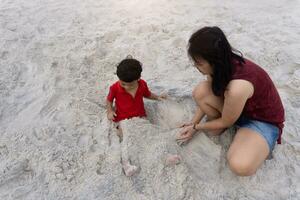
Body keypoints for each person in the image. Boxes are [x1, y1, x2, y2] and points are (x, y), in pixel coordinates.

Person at [176, 26, 285, 176]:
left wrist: (196, 127)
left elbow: (226, 121)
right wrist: (193, 122)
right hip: (236, 109)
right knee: (200, 92)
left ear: (215, 60)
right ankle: (239, 133)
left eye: (199, 63)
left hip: (261, 120)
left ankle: (257, 142)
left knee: (240, 166)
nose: (196, 67)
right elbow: (212, 90)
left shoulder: (238, 87)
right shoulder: (220, 66)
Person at [106, 55, 166, 176]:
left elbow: (147, 94)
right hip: (123, 118)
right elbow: (109, 100)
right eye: (123, 84)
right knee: (126, 138)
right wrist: (110, 111)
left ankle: (164, 155)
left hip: (140, 116)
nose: (126, 87)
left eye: (130, 84)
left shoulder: (142, 84)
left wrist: (158, 97)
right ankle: (126, 164)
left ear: (138, 78)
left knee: (149, 133)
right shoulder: (115, 88)